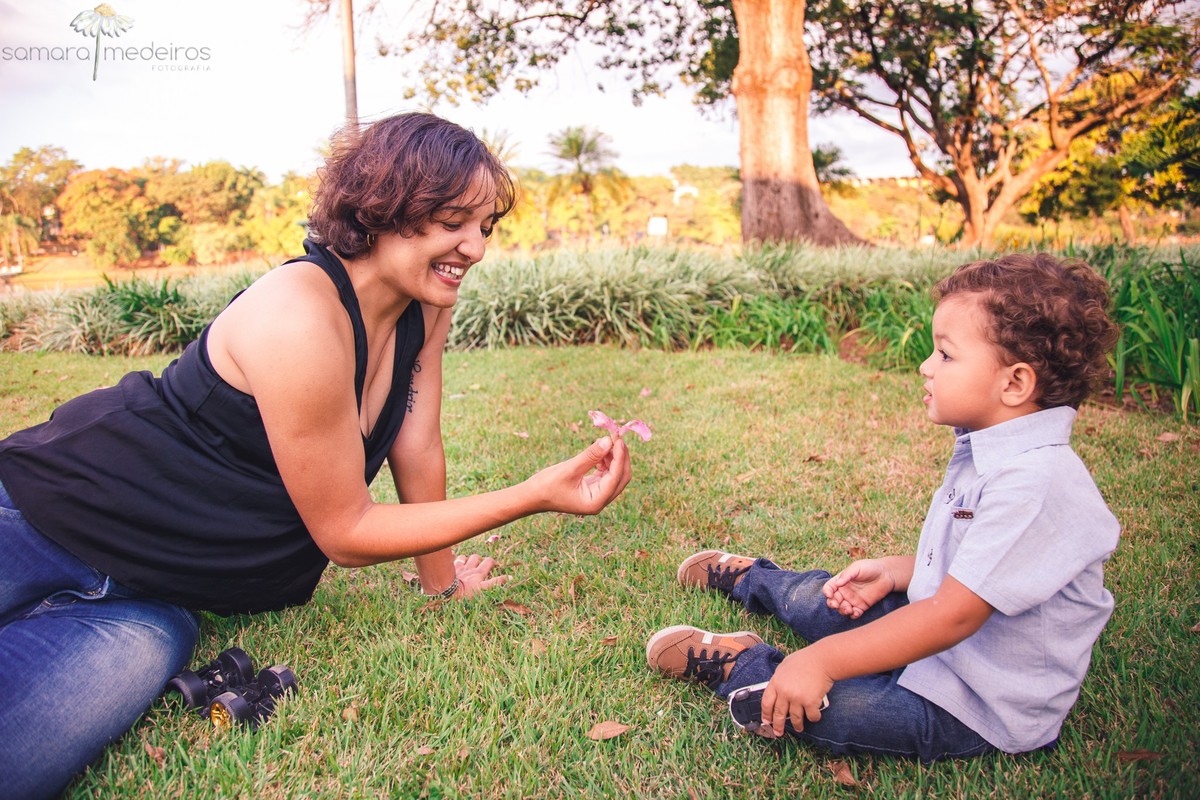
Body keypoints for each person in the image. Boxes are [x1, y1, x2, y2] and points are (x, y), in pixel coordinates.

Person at [0, 112, 632, 799]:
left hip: (151, 601)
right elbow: (348, 533)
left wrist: (441, 586)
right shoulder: (299, 311)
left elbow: (416, 445)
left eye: (485, 226)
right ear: (388, 207)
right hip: (36, 518)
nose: (475, 247)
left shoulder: (425, 307)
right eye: (455, 220)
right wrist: (534, 494)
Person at [647, 253, 1120, 762]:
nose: (925, 366)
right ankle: (754, 580)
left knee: (827, 713)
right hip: (935, 629)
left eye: (945, 355)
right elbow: (988, 566)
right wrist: (899, 573)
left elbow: (954, 617)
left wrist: (822, 661)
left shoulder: (1035, 482)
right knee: (821, 601)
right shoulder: (992, 448)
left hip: (975, 702)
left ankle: (744, 664)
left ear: (1014, 383)